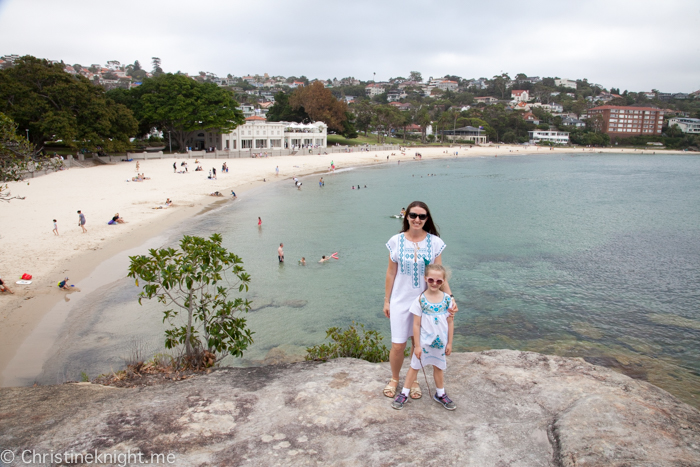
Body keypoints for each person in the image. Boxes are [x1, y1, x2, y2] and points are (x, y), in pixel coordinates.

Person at [383, 201, 457, 399]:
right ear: (406, 216)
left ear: (427, 219)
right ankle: (395, 378)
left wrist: (450, 298)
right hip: (400, 300)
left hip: (425, 303)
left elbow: (440, 275)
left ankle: (413, 380)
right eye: (413, 215)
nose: (417, 219)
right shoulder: (395, 241)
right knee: (398, 344)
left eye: (422, 216)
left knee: (419, 343)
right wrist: (387, 300)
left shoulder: (434, 243)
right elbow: (391, 273)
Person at [391, 264, 455, 410]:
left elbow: (450, 322)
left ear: (443, 282)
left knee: (438, 367)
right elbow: (416, 325)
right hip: (425, 343)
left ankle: (440, 393)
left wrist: (450, 343)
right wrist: (417, 346)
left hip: (440, 343)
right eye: (431, 280)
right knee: (414, 367)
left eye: (439, 281)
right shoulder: (420, 300)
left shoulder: (447, 300)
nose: (434, 283)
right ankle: (404, 393)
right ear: (425, 279)